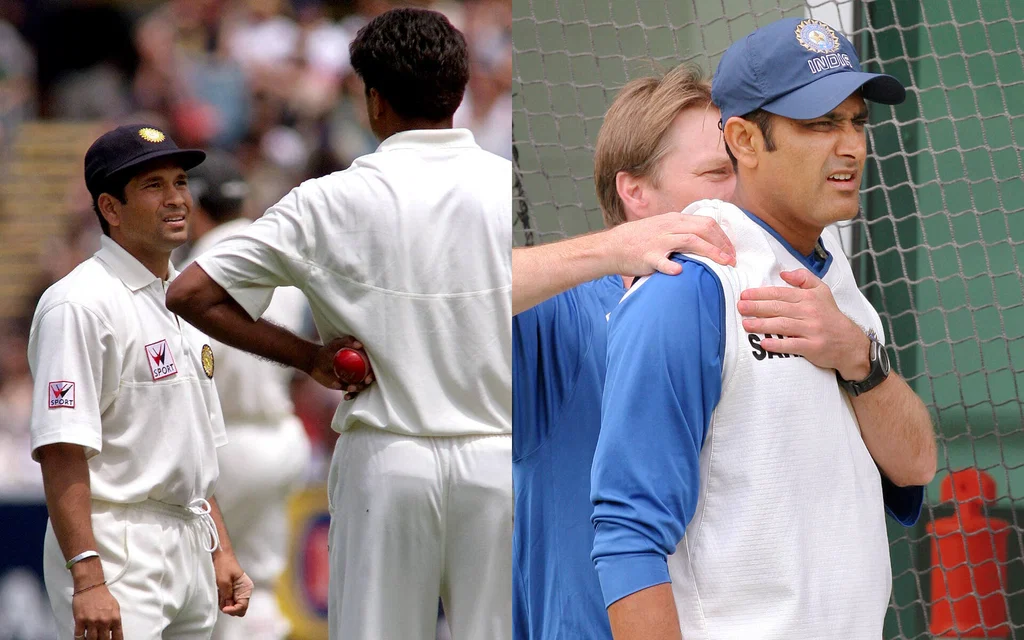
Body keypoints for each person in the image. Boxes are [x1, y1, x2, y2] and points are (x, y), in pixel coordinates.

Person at [165, 8, 512, 640]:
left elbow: (190, 292)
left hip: (387, 456)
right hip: (499, 456)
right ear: (460, 92)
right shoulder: (512, 189)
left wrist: (309, 358)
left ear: (373, 101)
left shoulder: (327, 200)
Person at [591, 18, 938, 640]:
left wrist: (858, 356)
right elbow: (627, 536)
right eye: (819, 124)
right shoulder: (690, 288)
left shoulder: (843, 293)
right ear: (745, 140)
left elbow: (915, 466)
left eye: (856, 121)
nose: (852, 146)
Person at [512, 64, 736, 640]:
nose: (736, 192)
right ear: (634, 192)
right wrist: (613, 250)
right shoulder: (566, 315)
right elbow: (454, 290)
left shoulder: (773, 307)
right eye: (716, 172)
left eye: (742, 171)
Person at [27, 124, 251, 640]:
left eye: (179, 182)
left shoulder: (180, 299)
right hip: (116, 546)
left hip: (189, 544)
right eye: (154, 186)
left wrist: (219, 548)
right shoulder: (79, 304)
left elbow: (193, 448)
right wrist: (87, 578)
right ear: (109, 208)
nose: (176, 199)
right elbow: (62, 449)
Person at [177, 151, 312, 640]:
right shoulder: (268, 250)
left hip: (228, 441)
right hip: (282, 435)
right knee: (263, 578)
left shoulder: (198, 266)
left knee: (209, 579)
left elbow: (194, 368)